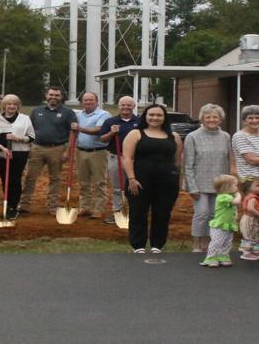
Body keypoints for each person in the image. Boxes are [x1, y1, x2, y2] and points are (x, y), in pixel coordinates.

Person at [121, 102, 183, 254]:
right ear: (145, 116)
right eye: (151, 115)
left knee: (162, 213)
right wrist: (131, 179)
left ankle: (157, 245)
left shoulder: (173, 136)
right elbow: (127, 158)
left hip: (167, 182)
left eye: (159, 115)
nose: (155, 118)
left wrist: (177, 180)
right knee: (138, 212)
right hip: (140, 180)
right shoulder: (136, 134)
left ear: (164, 118)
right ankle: (138, 245)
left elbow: (177, 161)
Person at [182, 103, 233, 254]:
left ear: (220, 119)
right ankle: (197, 243)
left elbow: (227, 161)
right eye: (208, 116)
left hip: (219, 184)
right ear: (202, 118)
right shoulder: (193, 137)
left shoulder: (225, 136)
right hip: (199, 183)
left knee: (214, 214)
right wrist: (192, 186)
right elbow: (188, 164)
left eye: (215, 116)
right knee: (202, 213)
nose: (211, 119)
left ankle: (210, 243)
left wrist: (229, 185)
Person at [22, 86, 77, 216]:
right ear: (46, 95)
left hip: (57, 149)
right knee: (30, 177)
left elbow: (73, 132)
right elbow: (29, 130)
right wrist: (28, 147)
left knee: (55, 179)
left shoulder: (68, 113)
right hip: (37, 148)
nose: (53, 97)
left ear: (61, 97)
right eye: (51, 95)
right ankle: (24, 205)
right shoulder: (36, 111)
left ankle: (52, 206)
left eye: (57, 95)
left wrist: (68, 151)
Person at [0, 95, 34, 220]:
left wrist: (17, 138)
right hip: (1, 154)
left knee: (15, 179)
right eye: (9, 104)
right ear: (4, 105)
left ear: (18, 106)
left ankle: (13, 207)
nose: (12, 106)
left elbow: (31, 137)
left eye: (14, 104)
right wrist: (2, 148)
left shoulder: (25, 119)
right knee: (5, 180)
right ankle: (7, 204)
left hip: (20, 153)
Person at [72, 92, 112, 218]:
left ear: (97, 102)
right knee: (83, 182)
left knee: (99, 182)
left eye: (91, 100)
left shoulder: (104, 114)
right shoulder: (79, 115)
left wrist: (80, 129)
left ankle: (98, 209)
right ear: (82, 102)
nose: (88, 103)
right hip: (81, 151)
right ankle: (85, 207)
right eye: (85, 100)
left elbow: (98, 130)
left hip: (98, 152)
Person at [103, 95, 141, 224]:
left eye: (129, 105)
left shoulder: (140, 122)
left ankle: (134, 213)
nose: (126, 107)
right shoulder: (110, 121)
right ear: (119, 106)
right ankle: (118, 212)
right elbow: (102, 139)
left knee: (134, 187)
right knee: (118, 188)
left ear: (134, 106)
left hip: (135, 160)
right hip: (116, 158)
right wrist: (112, 133)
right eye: (123, 105)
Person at [202, 174, 238, 269]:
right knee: (217, 242)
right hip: (219, 225)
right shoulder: (223, 197)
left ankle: (223, 256)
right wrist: (238, 195)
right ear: (226, 187)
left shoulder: (229, 196)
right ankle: (211, 258)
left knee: (227, 242)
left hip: (228, 225)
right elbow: (237, 202)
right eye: (235, 185)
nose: (237, 188)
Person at [236, 175, 259, 260]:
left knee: (253, 234)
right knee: (250, 235)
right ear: (248, 188)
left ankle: (251, 251)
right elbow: (250, 208)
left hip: (251, 219)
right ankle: (247, 253)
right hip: (250, 219)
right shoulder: (252, 198)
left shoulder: (253, 197)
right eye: (258, 186)